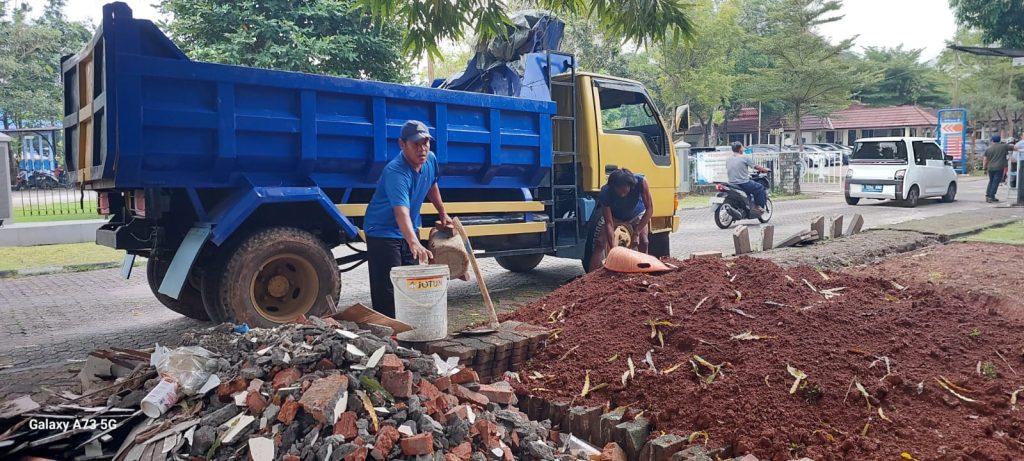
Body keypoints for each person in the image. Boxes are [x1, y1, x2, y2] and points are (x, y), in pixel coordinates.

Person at [364, 120, 452, 318]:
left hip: (409, 228)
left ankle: (408, 327)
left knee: (410, 284)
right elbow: (400, 212)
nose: (422, 149)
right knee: (389, 288)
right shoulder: (396, 172)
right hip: (383, 231)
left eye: (425, 143)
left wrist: (442, 212)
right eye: (416, 144)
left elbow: (431, 184)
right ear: (402, 144)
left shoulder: (430, 159)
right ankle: (387, 330)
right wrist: (414, 242)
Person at [589, 168, 653, 271]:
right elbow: (609, 223)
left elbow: (649, 209)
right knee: (600, 242)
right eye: (618, 190)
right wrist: (614, 250)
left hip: (637, 214)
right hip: (615, 217)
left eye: (624, 190)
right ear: (613, 186)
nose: (621, 194)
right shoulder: (605, 192)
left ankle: (644, 271)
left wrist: (636, 233)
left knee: (644, 242)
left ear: (630, 186)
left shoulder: (641, 182)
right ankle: (590, 276)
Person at [726, 142, 771, 213]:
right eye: (742, 147)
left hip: (731, 183)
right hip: (743, 183)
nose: (743, 149)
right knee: (760, 187)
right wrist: (765, 170)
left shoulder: (728, 159)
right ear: (740, 149)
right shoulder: (744, 157)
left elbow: (735, 169)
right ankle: (758, 206)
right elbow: (756, 167)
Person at [982, 135, 1018, 203]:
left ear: (992, 141)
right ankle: (991, 196)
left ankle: (988, 195)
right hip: (999, 167)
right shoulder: (1004, 146)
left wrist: (984, 168)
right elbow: (1015, 147)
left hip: (990, 168)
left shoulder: (989, 148)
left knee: (991, 181)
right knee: (995, 182)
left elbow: (985, 159)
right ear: (1000, 140)